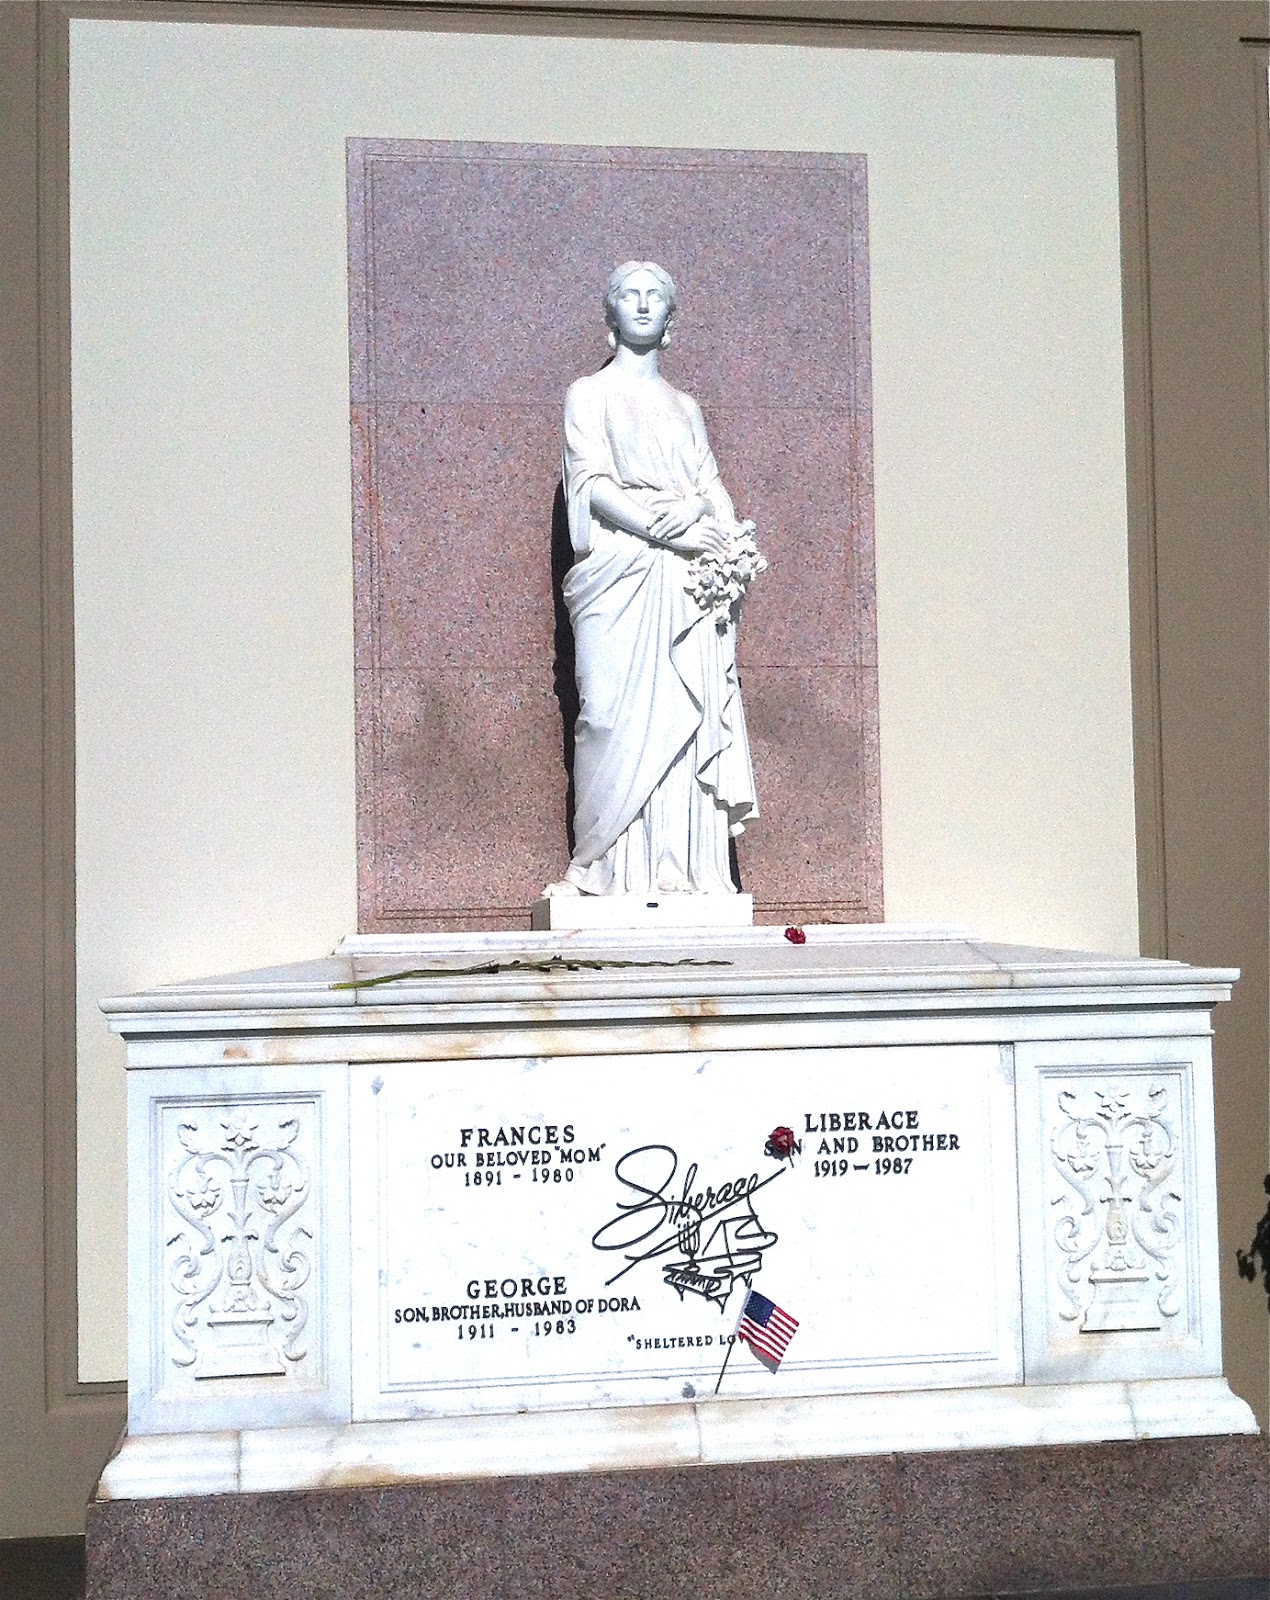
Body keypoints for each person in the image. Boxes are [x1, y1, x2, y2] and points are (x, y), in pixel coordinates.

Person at [545, 261, 761, 899]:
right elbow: (590, 482)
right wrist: (665, 530)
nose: (642, 304)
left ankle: (682, 868)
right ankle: (600, 864)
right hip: (619, 571)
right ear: (610, 313)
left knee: (686, 715)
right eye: (629, 295)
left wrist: (701, 516)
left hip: (685, 579)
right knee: (606, 714)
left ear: (670, 318)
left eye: (654, 297)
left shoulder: (685, 408)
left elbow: (712, 490)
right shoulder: (589, 394)